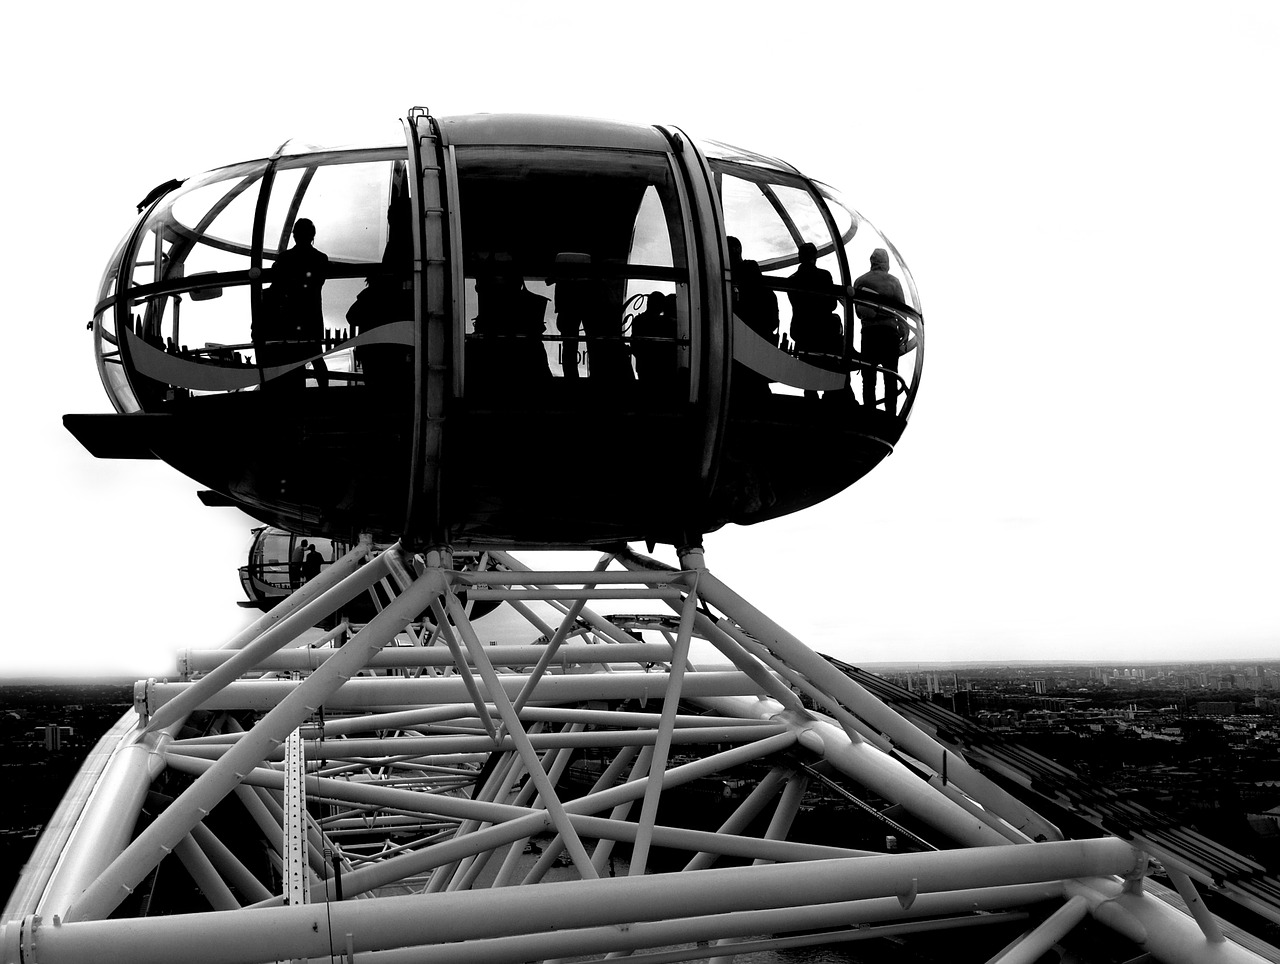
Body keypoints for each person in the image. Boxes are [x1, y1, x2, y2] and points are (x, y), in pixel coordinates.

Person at [269, 218, 329, 389]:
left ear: (294, 235)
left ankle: (298, 399)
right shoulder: (321, 258)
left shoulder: (285, 258)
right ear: (312, 235)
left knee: (295, 361)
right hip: (312, 315)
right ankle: (325, 395)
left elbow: (276, 282)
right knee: (317, 357)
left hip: (290, 317)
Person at [854, 248, 907, 414]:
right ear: (886, 262)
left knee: (868, 378)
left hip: (869, 334)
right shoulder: (894, 282)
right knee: (890, 377)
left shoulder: (859, 281)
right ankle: (890, 413)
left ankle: (869, 412)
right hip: (889, 334)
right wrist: (904, 333)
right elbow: (901, 311)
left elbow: (857, 312)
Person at [786, 242, 840, 400]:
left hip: (802, 330)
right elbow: (832, 304)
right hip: (824, 330)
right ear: (815, 256)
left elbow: (795, 303)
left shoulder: (791, 280)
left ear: (799, 257)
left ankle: (810, 402)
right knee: (826, 366)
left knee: (807, 370)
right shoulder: (824, 276)